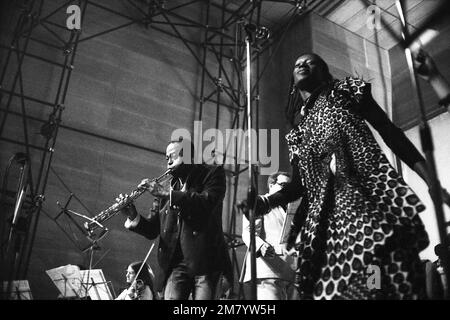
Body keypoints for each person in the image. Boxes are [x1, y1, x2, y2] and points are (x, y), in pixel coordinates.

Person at [251, 53, 450, 300]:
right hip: (326, 220)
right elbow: (299, 186)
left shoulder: (346, 92)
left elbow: (390, 132)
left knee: (373, 271)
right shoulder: (297, 135)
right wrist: (266, 202)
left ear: (323, 71)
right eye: (296, 63)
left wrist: (430, 180)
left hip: (362, 201)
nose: (301, 64)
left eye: (309, 61)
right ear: (292, 82)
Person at [117, 139, 231, 300]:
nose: (168, 161)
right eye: (166, 158)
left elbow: (207, 202)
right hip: (175, 264)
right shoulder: (167, 186)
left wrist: (167, 194)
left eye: (173, 156)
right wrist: (132, 215)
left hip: (206, 261)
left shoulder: (212, 173)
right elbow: (152, 229)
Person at [240, 172, 297, 300]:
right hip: (268, 270)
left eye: (289, 188)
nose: (286, 190)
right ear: (271, 185)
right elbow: (248, 232)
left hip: (291, 272)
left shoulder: (293, 208)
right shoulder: (261, 202)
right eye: (283, 185)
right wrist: (261, 246)